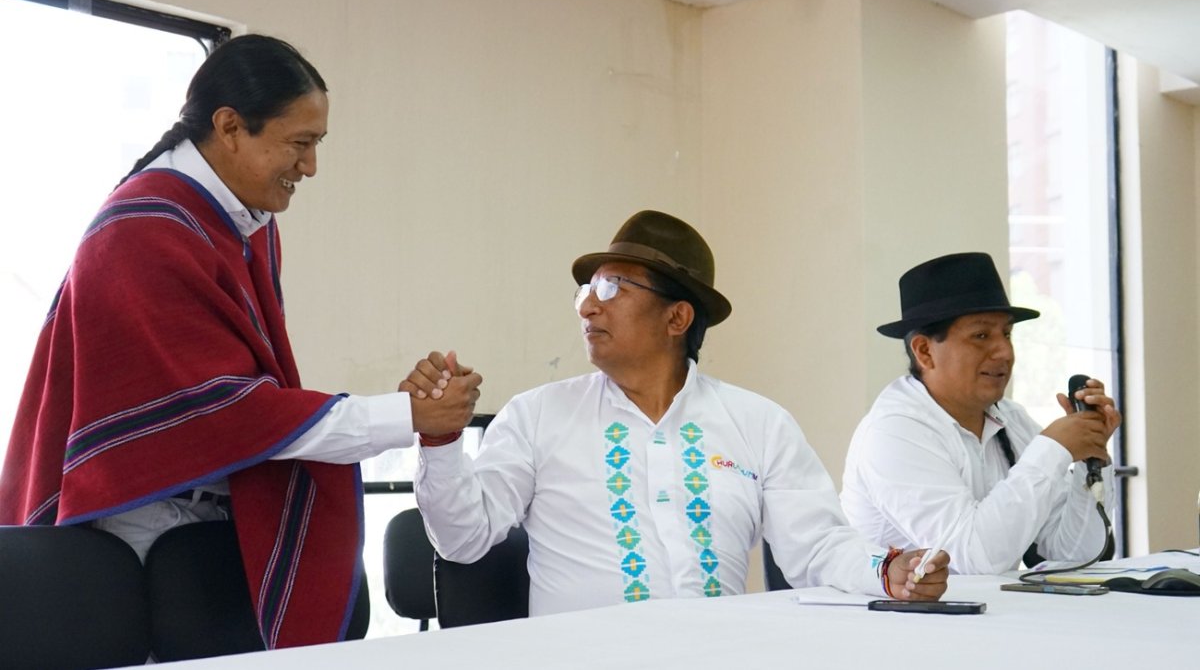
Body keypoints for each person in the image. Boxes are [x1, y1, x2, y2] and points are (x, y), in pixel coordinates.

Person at [0, 35, 480, 648]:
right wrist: (405, 416)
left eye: (318, 145)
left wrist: (405, 415)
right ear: (230, 127)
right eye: (300, 144)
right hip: (136, 538)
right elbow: (221, 411)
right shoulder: (142, 230)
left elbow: (246, 402)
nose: (310, 167)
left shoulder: (246, 223)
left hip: (209, 518)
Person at [407, 210, 948, 616]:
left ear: (678, 317)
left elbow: (817, 548)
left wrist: (887, 571)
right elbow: (463, 539)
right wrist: (441, 441)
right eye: (587, 291)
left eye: (612, 288)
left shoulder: (758, 423)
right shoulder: (537, 417)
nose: (589, 306)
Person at [841, 252, 1120, 575]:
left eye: (1007, 334)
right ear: (925, 351)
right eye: (981, 336)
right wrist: (1053, 449)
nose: (1004, 351)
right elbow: (972, 560)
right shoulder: (894, 432)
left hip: (986, 617)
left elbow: (1072, 553)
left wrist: (1089, 456)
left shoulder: (1010, 419)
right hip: (893, 621)